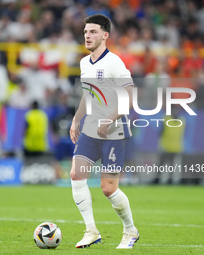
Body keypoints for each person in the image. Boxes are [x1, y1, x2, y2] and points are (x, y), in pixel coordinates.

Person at [69, 14, 139, 249]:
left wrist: (109, 119)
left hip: (113, 131)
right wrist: (76, 120)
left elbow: (130, 96)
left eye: (93, 32)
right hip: (90, 129)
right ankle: (91, 230)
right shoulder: (83, 63)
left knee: (108, 188)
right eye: (86, 32)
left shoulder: (114, 63)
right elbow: (87, 96)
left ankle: (130, 231)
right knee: (76, 175)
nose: (88, 36)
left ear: (105, 35)